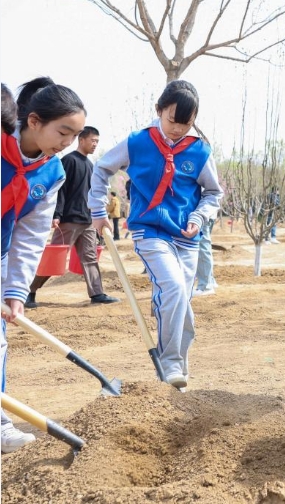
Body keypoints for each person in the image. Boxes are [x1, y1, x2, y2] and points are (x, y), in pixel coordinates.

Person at [88, 80, 223, 391]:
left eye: (186, 123)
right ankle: (170, 361)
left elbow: (213, 193)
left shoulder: (200, 151)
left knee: (182, 304)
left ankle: (176, 376)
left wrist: (198, 217)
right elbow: (102, 169)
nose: (177, 129)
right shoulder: (138, 142)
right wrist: (97, 210)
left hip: (186, 238)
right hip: (149, 231)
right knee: (173, 288)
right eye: (172, 120)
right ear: (159, 110)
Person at [2, 78, 87, 452]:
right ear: (33, 121)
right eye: (63, 132)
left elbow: (30, 235)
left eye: (75, 136)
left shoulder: (52, 173)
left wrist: (16, 289)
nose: (67, 142)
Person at [26, 127, 120, 309]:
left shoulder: (91, 165)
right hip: (69, 219)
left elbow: (94, 193)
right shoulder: (69, 161)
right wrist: (57, 214)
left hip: (87, 220)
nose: (95, 144)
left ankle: (97, 293)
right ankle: (29, 291)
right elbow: (60, 189)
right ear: (82, 140)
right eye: (93, 140)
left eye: (97, 141)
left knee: (90, 258)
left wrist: (97, 216)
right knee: (55, 259)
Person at [193, 207, 218, 296]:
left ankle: (206, 286)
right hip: (206, 214)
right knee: (204, 248)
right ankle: (209, 281)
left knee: (202, 249)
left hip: (202, 216)